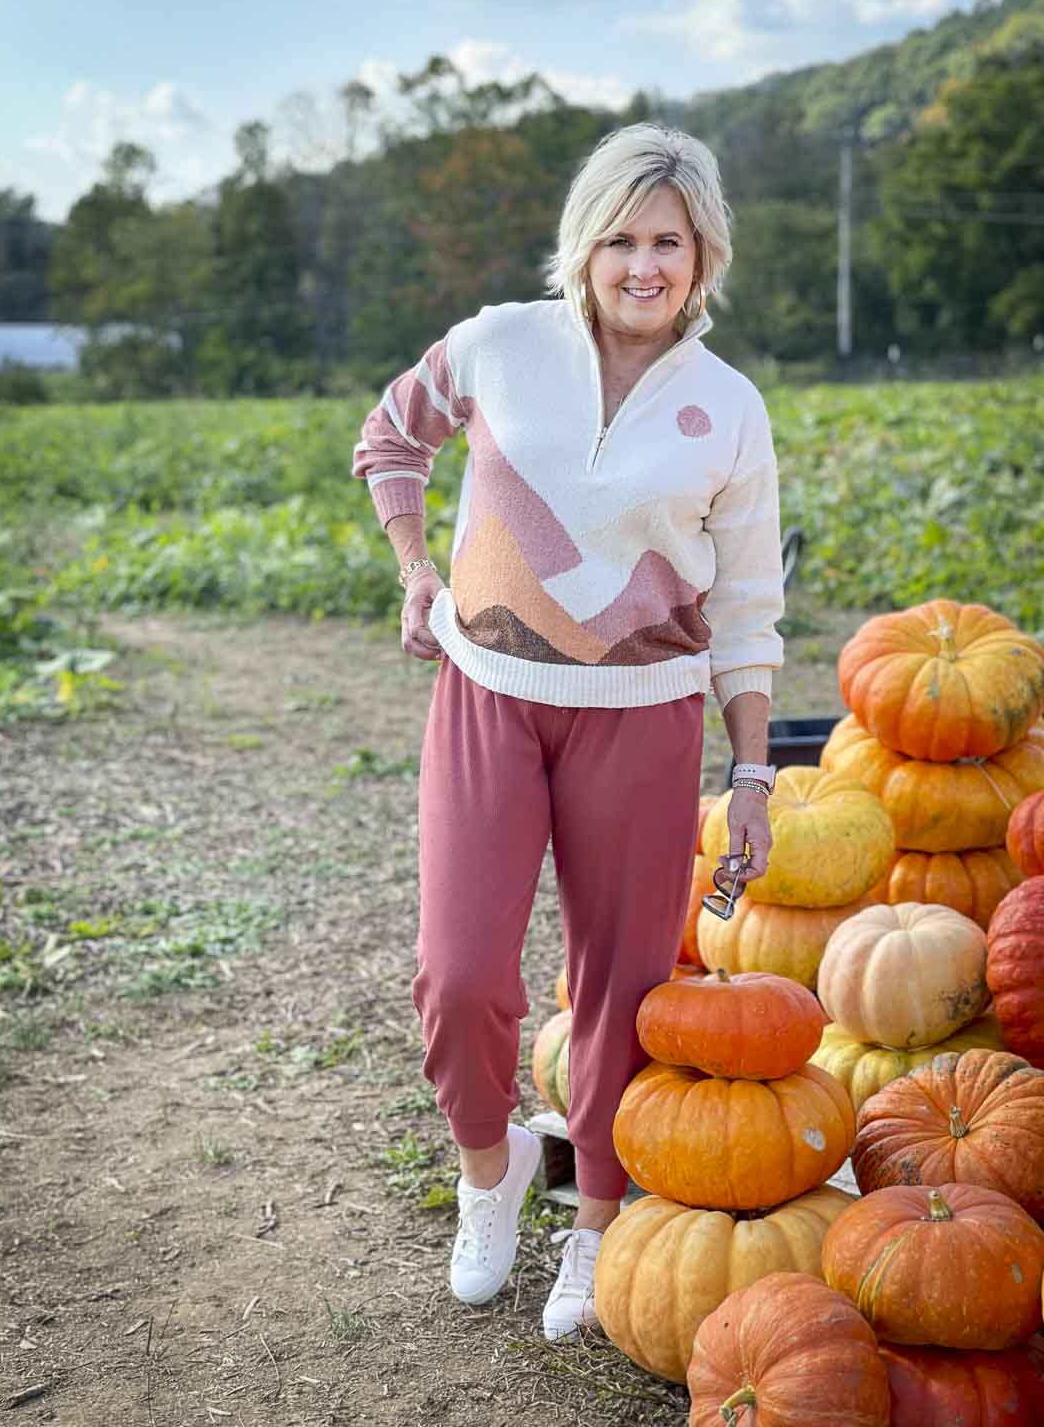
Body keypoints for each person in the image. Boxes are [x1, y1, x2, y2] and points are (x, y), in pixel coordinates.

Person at [352, 122, 783, 1340]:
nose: (644, 266)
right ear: (583, 245)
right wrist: (415, 569)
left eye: (671, 242)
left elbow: (748, 604)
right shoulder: (501, 345)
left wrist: (751, 769)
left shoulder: (730, 409)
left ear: (705, 257)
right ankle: (487, 1175)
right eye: (622, 240)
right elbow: (391, 434)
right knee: (461, 971)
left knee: (624, 988)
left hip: (645, 720)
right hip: (488, 691)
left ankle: (598, 1222)